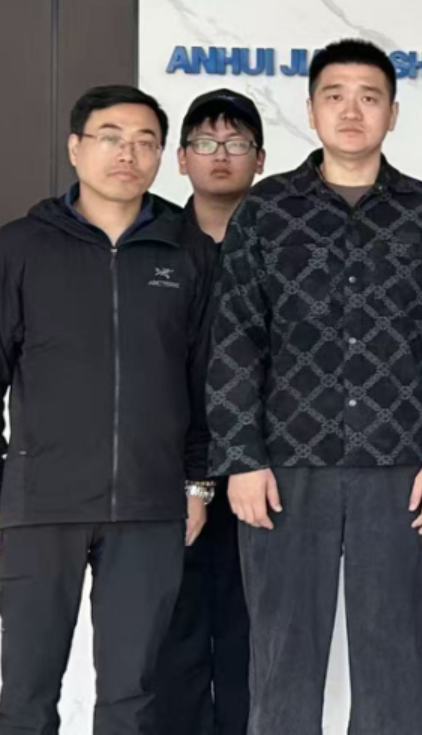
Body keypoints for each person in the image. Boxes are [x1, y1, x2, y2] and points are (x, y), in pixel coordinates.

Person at [206, 38, 422, 735]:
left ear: (393, 113)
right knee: (282, 660)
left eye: (368, 98)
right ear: (310, 110)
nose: (352, 111)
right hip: (284, 467)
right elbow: (235, 341)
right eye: (335, 96)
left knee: (395, 665)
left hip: (403, 469)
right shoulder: (265, 211)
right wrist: (240, 458)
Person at [0, 84, 217, 735]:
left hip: (150, 509)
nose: (128, 154)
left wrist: (197, 484)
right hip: (44, 504)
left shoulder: (189, 252)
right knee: (28, 693)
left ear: (162, 156)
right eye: (111, 138)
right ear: (75, 148)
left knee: (133, 696)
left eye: (145, 142)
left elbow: (208, 380)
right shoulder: (19, 249)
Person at [150, 88, 266, 735]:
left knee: (254, 634)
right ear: (181, 158)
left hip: (262, 470)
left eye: (237, 143)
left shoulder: (282, 244)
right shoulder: (154, 246)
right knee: (176, 633)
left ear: (260, 159)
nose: (221, 155)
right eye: (205, 143)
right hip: (167, 469)